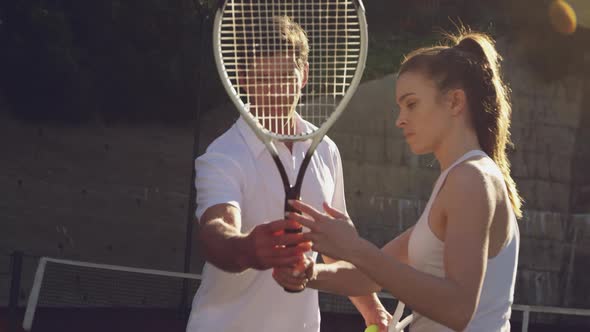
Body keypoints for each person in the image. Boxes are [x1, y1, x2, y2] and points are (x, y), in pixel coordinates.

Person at [274, 30, 522, 332]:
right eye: (400, 107)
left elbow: (458, 308)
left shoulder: (472, 178)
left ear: (455, 102)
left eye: (412, 104)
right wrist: (309, 272)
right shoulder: (460, 178)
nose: (400, 119)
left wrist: (355, 248)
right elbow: (368, 274)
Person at [187, 16, 390, 332]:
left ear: (304, 74)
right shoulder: (222, 156)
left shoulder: (325, 150)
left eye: (286, 75)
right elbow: (216, 230)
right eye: (263, 77)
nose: (276, 89)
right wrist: (249, 249)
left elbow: (337, 245)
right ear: (242, 79)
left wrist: (373, 311)